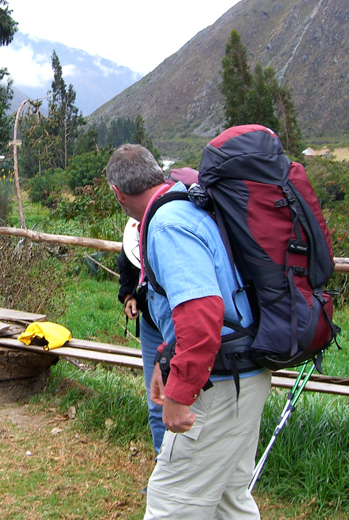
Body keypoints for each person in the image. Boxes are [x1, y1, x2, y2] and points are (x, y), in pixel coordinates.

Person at [106, 144, 270, 519]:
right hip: (245, 375)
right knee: (230, 500)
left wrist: (181, 393)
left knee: (170, 505)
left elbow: (201, 315)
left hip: (218, 384)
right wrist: (168, 357)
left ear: (118, 193)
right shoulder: (190, 202)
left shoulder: (167, 225)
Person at [117, 217, 165, 454]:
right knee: (156, 403)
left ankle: (184, 476)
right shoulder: (136, 225)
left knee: (186, 402)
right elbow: (126, 263)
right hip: (152, 324)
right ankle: (163, 469)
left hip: (182, 322)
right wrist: (128, 296)